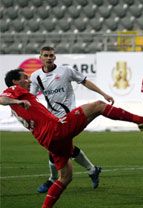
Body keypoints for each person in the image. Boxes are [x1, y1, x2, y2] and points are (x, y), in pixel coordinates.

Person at [0, 68, 143, 208]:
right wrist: (18, 100)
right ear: (15, 81)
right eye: (25, 78)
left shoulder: (24, 98)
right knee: (99, 106)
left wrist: (20, 102)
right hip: (56, 131)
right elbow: (1, 99)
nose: (29, 81)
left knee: (66, 177)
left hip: (48, 141)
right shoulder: (14, 90)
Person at [30, 46, 112, 193]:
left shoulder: (65, 70)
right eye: (46, 55)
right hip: (52, 118)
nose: (49, 58)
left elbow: (85, 81)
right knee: (65, 148)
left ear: (55, 57)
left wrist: (103, 94)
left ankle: (52, 179)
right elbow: (31, 98)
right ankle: (92, 170)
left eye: (51, 55)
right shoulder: (36, 76)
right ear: (40, 58)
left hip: (69, 115)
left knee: (54, 147)